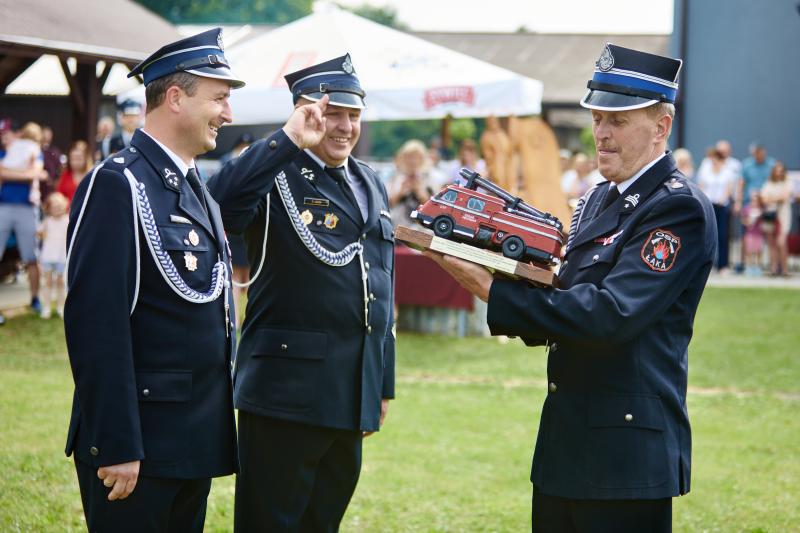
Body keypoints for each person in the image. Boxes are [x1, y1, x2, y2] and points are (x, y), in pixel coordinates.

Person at [427, 43, 716, 533]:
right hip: (567, 446)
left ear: (661, 127)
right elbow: (564, 295)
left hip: (625, 460)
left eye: (618, 121)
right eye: (598, 118)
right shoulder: (599, 197)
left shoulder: (676, 208)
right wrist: (502, 271)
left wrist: (496, 294)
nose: (601, 133)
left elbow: (609, 315)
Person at [63, 28, 327, 532]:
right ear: (176, 98)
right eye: (219, 98)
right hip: (139, 445)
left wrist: (290, 139)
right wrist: (117, 442)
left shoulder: (194, 187)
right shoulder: (118, 183)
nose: (228, 113)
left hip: (192, 440)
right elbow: (96, 325)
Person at [211, 54, 395, 532]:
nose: (345, 127)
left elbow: (381, 283)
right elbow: (219, 205)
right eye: (334, 113)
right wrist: (287, 140)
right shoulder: (275, 170)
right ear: (304, 111)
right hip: (285, 394)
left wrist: (381, 381)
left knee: (322, 522)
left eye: (354, 115)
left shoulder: (370, 181)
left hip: (350, 390)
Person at [0, 120, 46, 313]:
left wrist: (11, 172)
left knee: (31, 257)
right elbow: (3, 172)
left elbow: (36, 172)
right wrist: (26, 173)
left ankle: (35, 299)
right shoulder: (4, 153)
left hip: (27, 209)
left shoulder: (34, 150)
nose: (4, 138)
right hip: (3, 207)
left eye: (7, 133)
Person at [736, 143, 775, 273]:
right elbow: (741, 183)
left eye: (760, 153)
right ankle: (744, 264)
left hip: (766, 205)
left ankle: (770, 266)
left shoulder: (771, 164)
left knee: (767, 235)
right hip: (749, 204)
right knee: (746, 235)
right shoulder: (747, 165)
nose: (758, 156)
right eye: (756, 154)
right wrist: (738, 202)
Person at [696, 147, 736, 272]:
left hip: (722, 205)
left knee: (723, 235)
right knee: (707, 235)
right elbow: (701, 185)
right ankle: (707, 264)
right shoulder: (705, 168)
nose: (712, 160)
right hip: (708, 205)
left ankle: (723, 265)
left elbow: (729, 188)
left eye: (714, 157)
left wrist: (722, 199)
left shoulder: (728, 171)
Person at [387, 139, 436, 228]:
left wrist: (419, 192)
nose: (412, 161)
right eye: (409, 157)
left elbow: (434, 208)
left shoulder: (429, 179)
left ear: (422, 159)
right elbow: (390, 204)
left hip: (422, 229)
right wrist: (401, 192)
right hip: (399, 226)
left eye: (416, 157)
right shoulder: (396, 178)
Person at [38, 191, 70, 318]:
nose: (57, 208)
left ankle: (60, 307)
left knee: (60, 282)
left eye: (59, 205)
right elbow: (39, 234)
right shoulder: (47, 221)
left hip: (61, 257)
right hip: (48, 256)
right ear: (49, 208)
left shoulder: (68, 220)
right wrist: (42, 234)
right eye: (54, 206)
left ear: (65, 205)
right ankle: (46, 307)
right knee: (47, 282)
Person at [760, 161, 793, 276]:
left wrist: (771, 198)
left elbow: (784, 197)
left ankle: (785, 270)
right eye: (777, 171)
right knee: (771, 243)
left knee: (781, 242)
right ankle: (773, 269)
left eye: (781, 171)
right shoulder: (769, 183)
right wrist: (773, 199)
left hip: (783, 216)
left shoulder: (787, 182)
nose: (779, 173)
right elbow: (763, 199)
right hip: (770, 216)